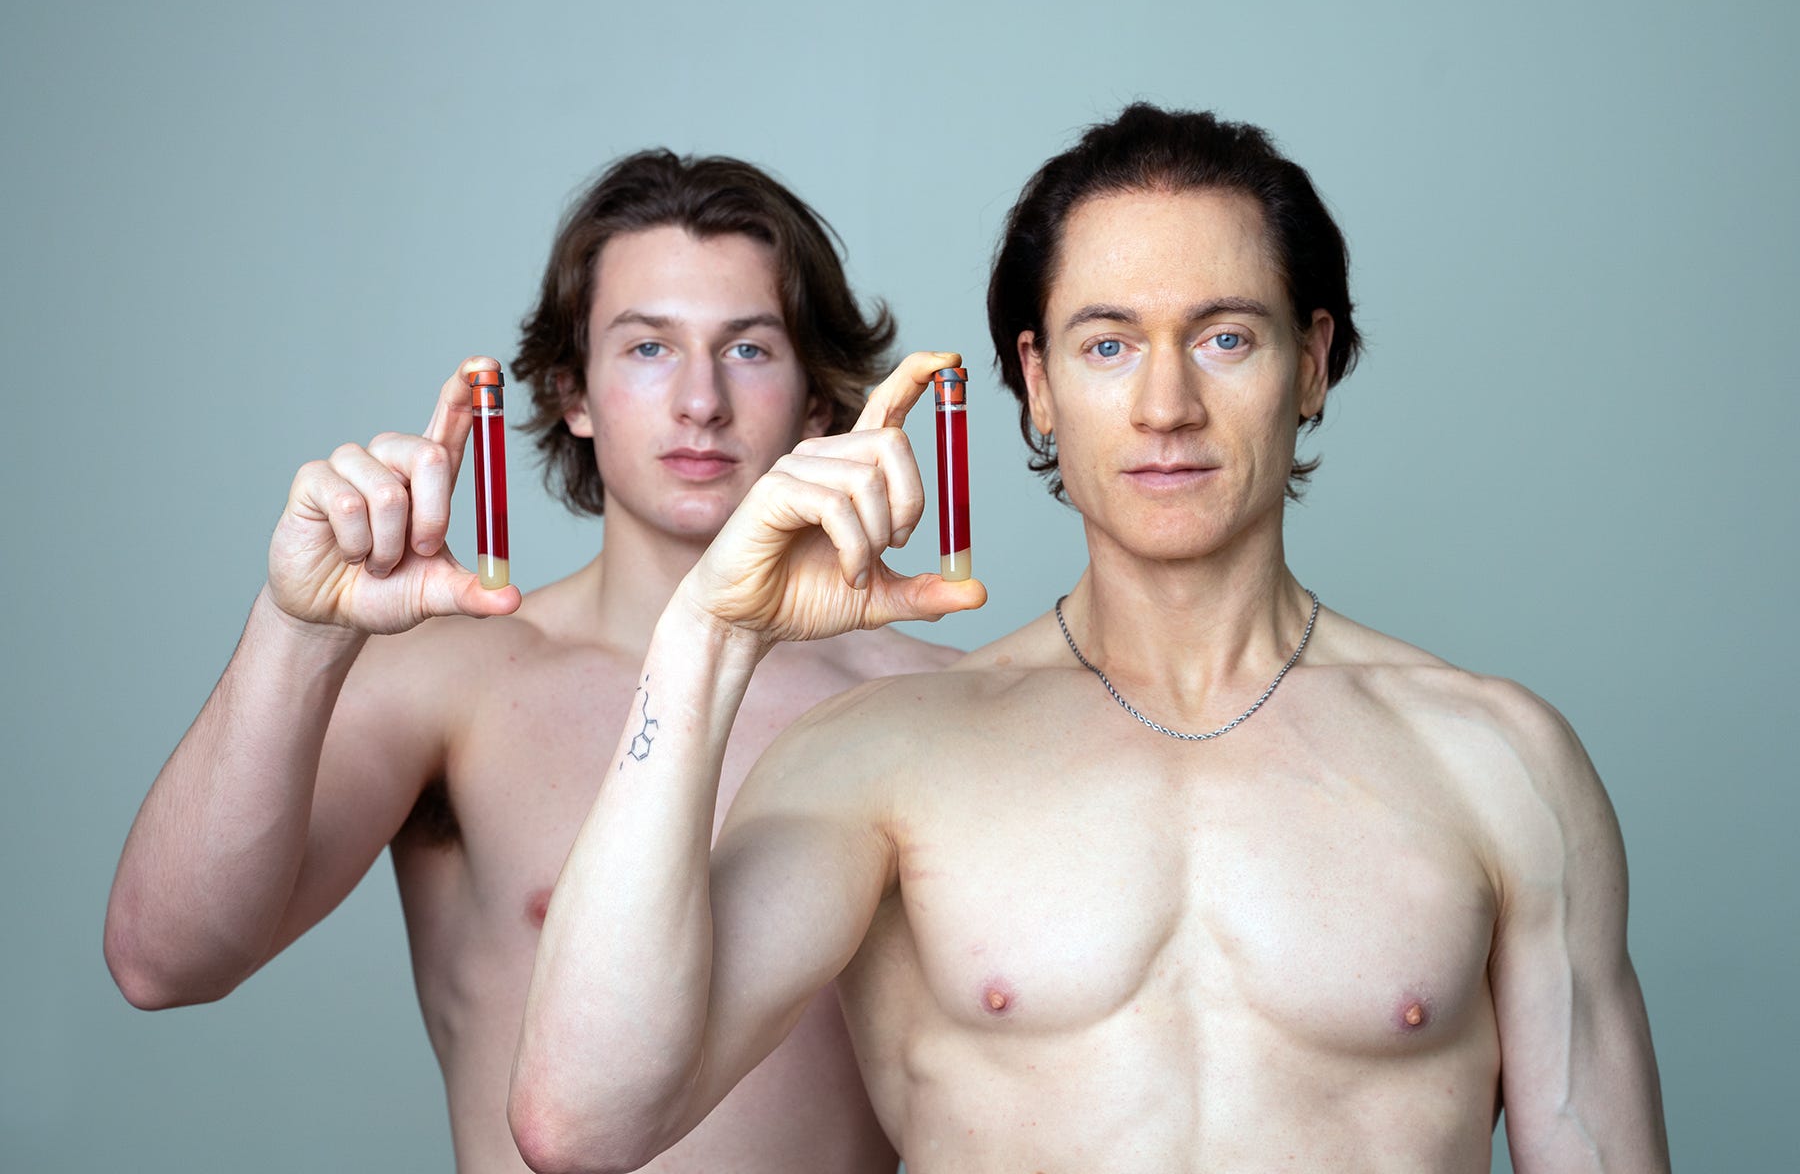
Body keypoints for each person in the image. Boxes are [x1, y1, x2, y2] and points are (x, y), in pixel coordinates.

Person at [509, 106, 1671, 1172]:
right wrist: (708, 635)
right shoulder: (882, 758)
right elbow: (583, 1122)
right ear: (1038, 382)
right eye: (1108, 345)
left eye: (1224, 338)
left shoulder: (1500, 763)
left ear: (1311, 363)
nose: (1167, 407)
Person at [104, 150, 954, 1173]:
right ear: (573, 392)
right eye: (648, 347)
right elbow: (162, 964)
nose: (701, 400)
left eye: (748, 348)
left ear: (817, 401)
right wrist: (300, 630)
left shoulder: (920, 703)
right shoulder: (455, 682)